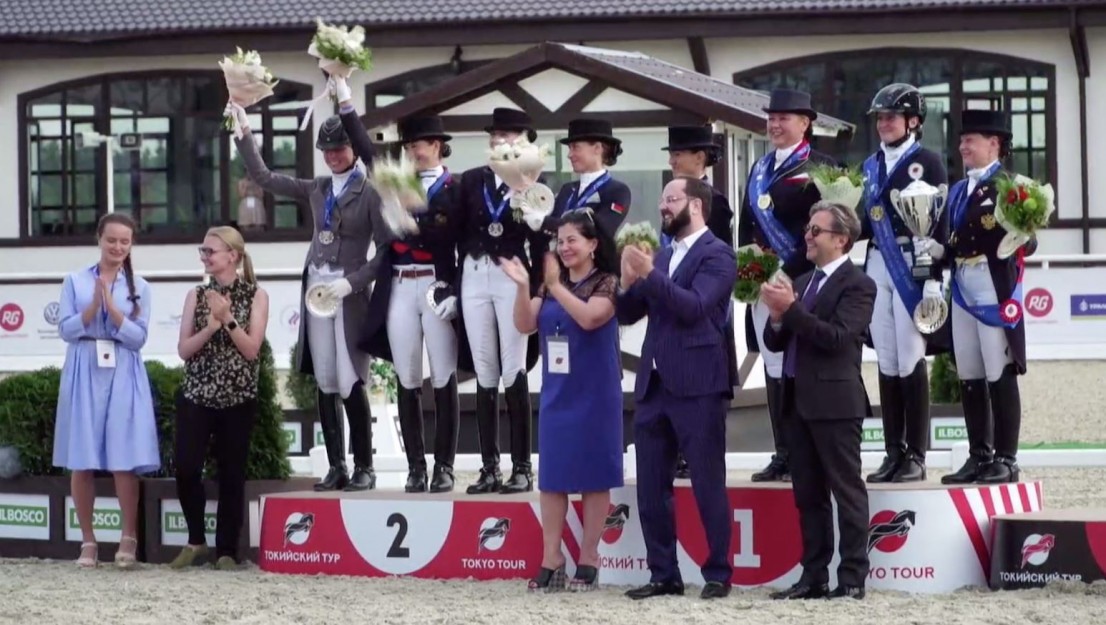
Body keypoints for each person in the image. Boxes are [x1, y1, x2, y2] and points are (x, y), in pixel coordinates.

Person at [226, 102, 392, 492]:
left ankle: (364, 466)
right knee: (326, 377)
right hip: (317, 289)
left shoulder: (371, 192)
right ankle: (337, 465)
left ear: (354, 149)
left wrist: (353, 282)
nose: (333, 156)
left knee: (350, 378)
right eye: (327, 150)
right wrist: (244, 132)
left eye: (340, 149)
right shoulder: (318, 187)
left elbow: (386, 251)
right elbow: (264, 177)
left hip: (347, 291)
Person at [329, 76, 464, 494]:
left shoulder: (455, 187)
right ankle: (416, 467)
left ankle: (444, 465)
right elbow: (366, 150)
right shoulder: (397, 180)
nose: (411, 152)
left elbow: (456, 237)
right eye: (407, 146)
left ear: (437, 146)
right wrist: (345, 99)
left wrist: (417, 222)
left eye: (418, 145)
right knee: (406, 375)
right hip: (402, 283)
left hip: (436, 283)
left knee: (442, 374)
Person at [617, 176, 737, 601]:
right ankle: (663, 573)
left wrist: (649, 272)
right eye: (662, 199)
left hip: (698, 384)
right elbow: (627, 313)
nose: (663, 206)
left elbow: (694, 307)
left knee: (707, 483)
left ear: (696, 205)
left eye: (671, 199)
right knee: (651, 489)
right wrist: (626, 280)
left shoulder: (718, 254)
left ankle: (718, 572)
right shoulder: (664, 255)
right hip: (654, 384)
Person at [502, 210, 623, 593]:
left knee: (594, 477)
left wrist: (556, 287)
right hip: (558, 390)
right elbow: (525, 324)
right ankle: (551, 557)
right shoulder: (549, 284)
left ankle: (589, 557)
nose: (565, 247)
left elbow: (590, 318)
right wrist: (525, 286)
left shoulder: (607, 281)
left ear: (593, 244)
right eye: (561, 240)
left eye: (573, 240)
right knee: (552, 478)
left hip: (596, 390)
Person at [760, 201, 876, 601]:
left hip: (834, 401)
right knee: (808, 495)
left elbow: (837, 338)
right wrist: (777, 317)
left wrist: (790, 310)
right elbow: (776, 340)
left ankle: (852, 577)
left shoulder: (859, 284)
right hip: (797, 398)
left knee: (846, 491)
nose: (807, 236)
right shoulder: (803, 280)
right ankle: (813, 575)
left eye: (816, 230)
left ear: (841, 239)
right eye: (807, 229)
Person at [929, 109, 1036, 485]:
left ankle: (1006, 458)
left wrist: (1021, 235)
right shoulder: (959, 190)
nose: (962, 147)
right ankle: (979, 455)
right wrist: (940, 252)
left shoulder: (1012, 186)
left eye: (970, 140)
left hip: (992, 285)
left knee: (999, 371)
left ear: (994, 143)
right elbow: (955, 239)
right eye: (961, 140)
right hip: (962, 284)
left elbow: (1030, 240)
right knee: (969, 372)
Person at [737, 88, 836, 483]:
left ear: (805, 122)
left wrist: (788, 270)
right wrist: (748, 269)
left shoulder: (821, 166)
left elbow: (827, 229)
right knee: (773, 366)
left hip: (802, 278)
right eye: (771, 118)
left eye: (784, 118)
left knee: (801, 363)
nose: (775, 125)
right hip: (764, 280)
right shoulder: (759, 167)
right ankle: (783, 451)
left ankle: (805, 452)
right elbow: (748, 222)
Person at [53, 212, 159, 569]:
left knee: (123, 457)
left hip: (124, 370)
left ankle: (128, 537)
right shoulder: (74, 280)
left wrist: (113, 311)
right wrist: (91, 310)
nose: (117, 247)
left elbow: (139, 337)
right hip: (84, 367)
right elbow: (65, 330)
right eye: (111, 239)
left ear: (131, 244)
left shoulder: (140, 286)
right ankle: (88, 540)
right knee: (82, 459)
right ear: (99, 238)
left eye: (124, 241)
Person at [858, 83, 949, 483]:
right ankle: (893, 451)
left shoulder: (928, 161)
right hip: (878, 262)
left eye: (891, 117)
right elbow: (866, 219)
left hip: (912, 263)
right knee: (887, 359)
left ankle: (917, 454)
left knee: (910, 358)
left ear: (913, 121)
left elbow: (937, 222)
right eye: (880, 118)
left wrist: (932, 278)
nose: (884, 123)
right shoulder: (870, 165)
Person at [456, 108, 546, 495]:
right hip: (475, 273)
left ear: (524, 142)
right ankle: (489, 467)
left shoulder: (532, 182)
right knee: (484, 369)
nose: (499, 141)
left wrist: (538, 288)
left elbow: (540, 243)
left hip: (512, 275)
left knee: (514, 367)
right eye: (495, 136)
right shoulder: (472, 179)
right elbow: (458, 229)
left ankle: (522, 466)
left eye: (508, 136)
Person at [171, 226, 269, 570]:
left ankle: (226, 550)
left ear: (233, 256)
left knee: (231, 474)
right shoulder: (196, 295)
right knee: (185, 468)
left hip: (238, 398)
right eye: (203, 251)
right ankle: (196, 540)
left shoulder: (256, 295)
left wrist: (227, 320)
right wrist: (210, 327)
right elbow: (184, 350)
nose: (205, 257)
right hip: (197, 395)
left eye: (210, 251)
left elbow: (252, 350)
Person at [661, 124, 738, 480]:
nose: (673, 160)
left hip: (701, 301)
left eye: (679, 153)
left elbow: (713, 258)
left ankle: (696, 453)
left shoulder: (713, 201)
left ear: (700, 157)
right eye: (671, 154)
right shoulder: (671, 198)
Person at [547, 118, 632, 242]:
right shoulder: (567, 189)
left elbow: (601, 228)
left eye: (575, 147)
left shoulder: (617, 190)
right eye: (570, 148)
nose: (569, 155)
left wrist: (544, 222)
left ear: (597, 148)